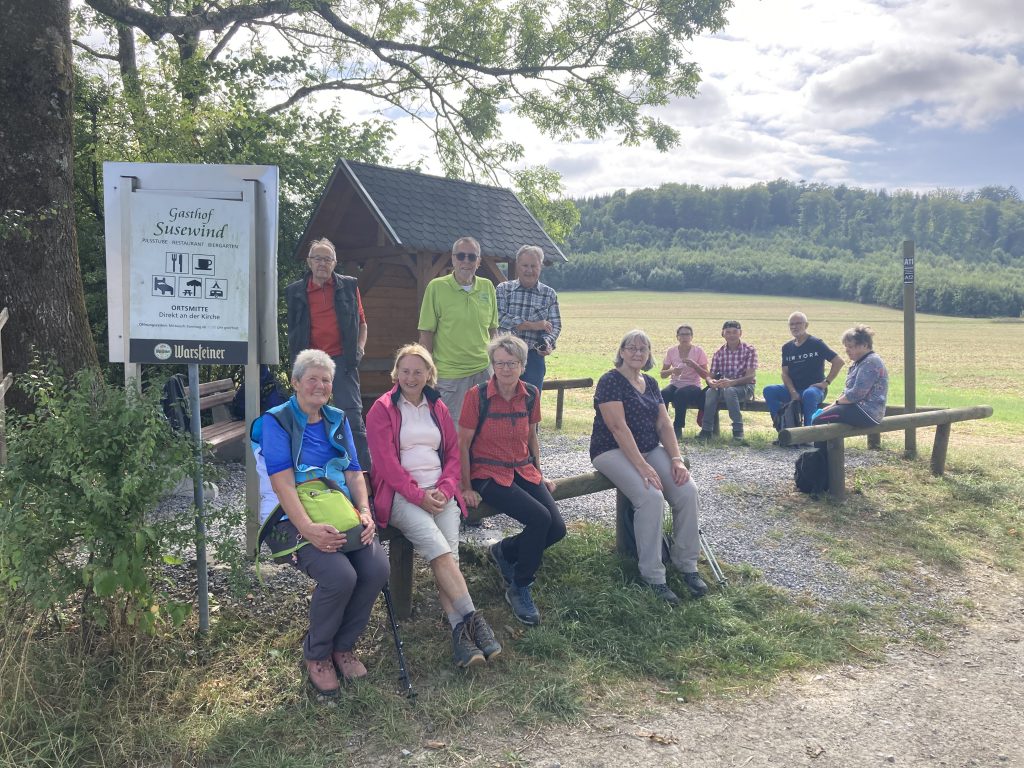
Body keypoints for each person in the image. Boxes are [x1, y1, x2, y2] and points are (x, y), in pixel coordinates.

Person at [251, 349, 389, 697]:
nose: (320, 385)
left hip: (339, 512)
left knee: (375, 569)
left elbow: (354, 471)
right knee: (340, 576)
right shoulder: (276, 421)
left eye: (326, 380)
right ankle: (317, 654)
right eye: (312, 378)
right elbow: (282, 482)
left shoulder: (336, 419)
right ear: (295, 383)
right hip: (288, 517)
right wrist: (308, 530)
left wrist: (365, 512)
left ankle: (343, 647)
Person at [365, 344, 502, 667]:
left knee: (449, 557)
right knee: (440, 552)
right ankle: (474, 620)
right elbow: (385, 465)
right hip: (402, 497)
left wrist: (443, 488)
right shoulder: (382, 409)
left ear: (429, 374)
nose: (411, 377)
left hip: (440, 494)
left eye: (418, 371)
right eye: (406, 370)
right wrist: (418, 496)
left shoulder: (437, 406)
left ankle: (460, 634)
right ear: (396, 373)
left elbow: (453, 454)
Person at [590, 329, 707, 605]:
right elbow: (617, 427)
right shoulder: (610, 381)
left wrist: (676, 459)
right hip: (611, 450)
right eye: (631, 348)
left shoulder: (652, 383)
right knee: (651, 496)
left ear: (649, 354)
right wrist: (642, 466)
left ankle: (686, 564)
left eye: (643, 349)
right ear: (621, 351)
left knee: (687, 491)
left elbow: (664, 424)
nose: (637, 353)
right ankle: (653, 576)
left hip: (650, 448)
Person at [458, 335, 566, 626]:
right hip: (487, 474)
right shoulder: (477, 396)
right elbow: (463, 444)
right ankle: (520, 586)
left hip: (522, 469)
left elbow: (532, 437)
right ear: (492, 365)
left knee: (557, 529)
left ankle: (504, 551)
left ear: (522, 364)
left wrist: (539, 475)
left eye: (512, 363)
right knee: (540, 519)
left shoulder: (530, 393)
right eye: (500, 363)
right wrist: (466, 487)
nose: (505, 369)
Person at [285, 238, 371, 468]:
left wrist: (360, 348)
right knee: (306, 413)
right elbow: (292, 330)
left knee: (351, 416)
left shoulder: (350, 287)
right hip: (311, 362)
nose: (322, 263)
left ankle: (363, 474)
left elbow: (362, 323)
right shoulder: (295, 292)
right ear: (309, 262)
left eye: (327, 259)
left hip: (343, 359)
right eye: (318, 258)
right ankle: (305, 466)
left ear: (335, 263)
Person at [418, 236, 498, 422]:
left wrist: (496, 367)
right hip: (450, 376)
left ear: (478, 261)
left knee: (484, 429)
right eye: (461, 256)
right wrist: (427, 372)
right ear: (453, 258)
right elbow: (426, 335)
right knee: (454, 433)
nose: (466, 261)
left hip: (484, 372)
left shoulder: (488, 287)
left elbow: (493, 331)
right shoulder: (436, 287)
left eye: (472, 257)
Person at [762, 312, 845, 432]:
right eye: (791, 324)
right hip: (794, 389)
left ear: (806, 325)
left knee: (809, 394)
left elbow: (838, 361)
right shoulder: (787, 348)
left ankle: (808, 434)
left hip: (814, 390)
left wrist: (825, 382)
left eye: (798, 323)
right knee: (769, 390)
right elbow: (785, 373)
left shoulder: (816, 343)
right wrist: (793, 392)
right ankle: (784, 429)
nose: (794, 327)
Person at [496, 245, 562, 391]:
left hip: (533, 357)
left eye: (534, 266)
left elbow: (555, 326)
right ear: (517, 265)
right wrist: (533, 325)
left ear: (541, 267)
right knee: (500, 401)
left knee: (531, 402)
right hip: (505, 355)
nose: (529, 270)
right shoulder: (503, 289)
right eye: (525, 265)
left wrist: (546, 342)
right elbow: (499, 318)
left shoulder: (549, 294)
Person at [812, 325, 888, 427]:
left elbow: (856, 394)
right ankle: (830, 443)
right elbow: (847, 391)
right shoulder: (859, 362)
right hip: (857, 409)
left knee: (818, 420)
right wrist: (831, 406)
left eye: (851, 346)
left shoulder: (870, 362)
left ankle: (810, 443)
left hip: (867, 412)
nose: (847, 350)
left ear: (865, 345)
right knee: (822, 415)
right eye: (846, 346)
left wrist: (835, 404)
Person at [697, 320, 758, 443]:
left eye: (735, 332)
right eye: (728, 332)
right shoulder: (719, 353)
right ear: (723, 334)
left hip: (745, 387)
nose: (731, 335)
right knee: (710, 392)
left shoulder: (750, 350)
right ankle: (706, 430)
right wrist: (711, 382)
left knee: (730, 391)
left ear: (740, 333)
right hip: (724, 387)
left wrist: (732, 382)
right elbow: (710, 375)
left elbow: (750, 377)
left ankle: (738, 431)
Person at [659, 324, 709, 439]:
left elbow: (706, 375)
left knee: (680, 394)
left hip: (693, 386)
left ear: (692, 337)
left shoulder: (698, 351)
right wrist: (672, 370)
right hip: (675, 383)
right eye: (682, 334)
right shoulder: (671, 351)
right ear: (677, 337)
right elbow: (662, 374)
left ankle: (677, 428)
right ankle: (663, 427)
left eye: (687, 334)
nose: (685, 337)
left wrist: (694, 365)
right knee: (663, 394)